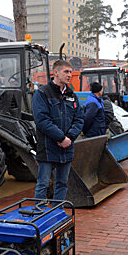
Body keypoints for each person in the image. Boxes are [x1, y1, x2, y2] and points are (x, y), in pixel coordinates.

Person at [32, 59, 84, 202]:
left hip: (66, 148)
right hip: (48, 148)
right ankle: (40, 216)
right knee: (43, 184)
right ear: (56, 72)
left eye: (70, 72)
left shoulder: (72, 96)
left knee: (62, 184)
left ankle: (58, 212)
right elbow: (42, 120)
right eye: (66, 72)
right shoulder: (43, 94)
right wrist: (61, 138)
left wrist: (69, 138)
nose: (69, 75)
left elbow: (79, 119)